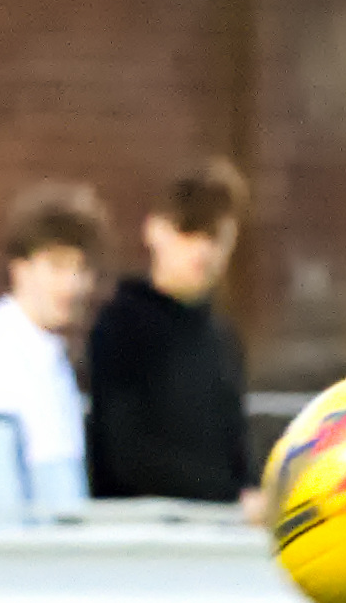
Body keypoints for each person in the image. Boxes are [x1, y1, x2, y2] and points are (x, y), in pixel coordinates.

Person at [86, 159, 258, 511]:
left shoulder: (221, 336)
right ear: (155, 231)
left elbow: (236, 444)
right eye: (187, 232)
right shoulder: (122, 324)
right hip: (142, 536)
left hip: (218, 534)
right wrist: (230, 496)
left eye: (214, 237)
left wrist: (252, 491)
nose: (201, 251)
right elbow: (125, 453)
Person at [0, 182, 102, 523]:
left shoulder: (50, 360)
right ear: (20, 268)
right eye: (57, 266)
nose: (72, 284)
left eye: (80, 268)